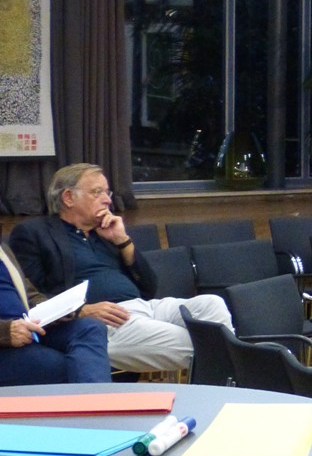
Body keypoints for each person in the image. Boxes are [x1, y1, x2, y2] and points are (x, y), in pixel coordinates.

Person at [10, 164, 234, 373]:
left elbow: (149, 288)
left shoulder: (106, 232)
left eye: (107, 192)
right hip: (105, 323)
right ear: (68, 197)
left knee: (211, 304)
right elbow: (28, 298)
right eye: (97, 192)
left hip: (146, 307)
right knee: (200, 344)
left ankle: (228, 373)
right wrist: (82, 311)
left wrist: (123, 241)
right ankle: (234, 374)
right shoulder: (34, 233)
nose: (107, 200)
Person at [0, 245, 111, 386]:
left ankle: (96, 399)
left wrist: (57, 309)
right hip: (6, 341)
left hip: (28, 328)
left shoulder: (3, 249)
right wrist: (5, 331)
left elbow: (29, 294)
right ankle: (96, 398)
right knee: (70, 367)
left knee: (90, 327)